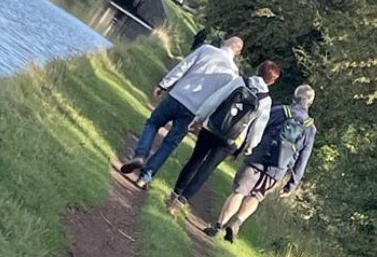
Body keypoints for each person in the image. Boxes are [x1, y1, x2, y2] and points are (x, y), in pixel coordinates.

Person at [120, 35, 243, 188]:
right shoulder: (233, 74)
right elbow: (219, 100)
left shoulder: (206, 50)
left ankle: (140, 154)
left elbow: (183, 66)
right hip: (194, 111)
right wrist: (202, 120)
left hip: (177, 96)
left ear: (225, 42)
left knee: (153, 123)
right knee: (170, 143)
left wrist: (164, 84)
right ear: (238, 53)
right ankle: (145, 177)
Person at [166, 60, 281, 216]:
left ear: (258, 70)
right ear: (272, 82)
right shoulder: (265, 100)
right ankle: (180, 203)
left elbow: (216, 99)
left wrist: (199, 118)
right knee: (207, 168)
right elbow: (258, 127)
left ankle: (174, 194)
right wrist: (250, 146)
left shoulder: (239, 81)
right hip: (232, 139)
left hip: (212, 126)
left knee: (195, 159)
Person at [205, 84, 317, 242]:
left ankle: (218, 226)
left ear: (294, 97)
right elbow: (303, 159)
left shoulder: (279, 111)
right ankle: (236, 223)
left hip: (258, 158)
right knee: (257, 196)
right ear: (310, 103)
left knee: (239, 191)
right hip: (277, 168)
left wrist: (242, 148)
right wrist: (292, 184)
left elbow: (257, 129)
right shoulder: (310, 129)